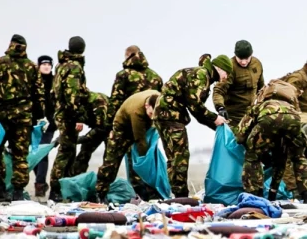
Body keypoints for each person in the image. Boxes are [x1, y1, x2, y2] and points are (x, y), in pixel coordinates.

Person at [72, 45, 162, 175]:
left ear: (128, 56)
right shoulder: (156, 76)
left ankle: (106, 190)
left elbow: (115, 102)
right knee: (144, 155)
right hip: (148, 124)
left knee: (114, 159)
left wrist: (110, 126)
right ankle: (146, 190)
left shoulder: (123, 75)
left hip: (126, 123)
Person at [155, 54, 232, 196]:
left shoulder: (202, 76)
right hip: (170, 116)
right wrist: (215, 118)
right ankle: (181, 196)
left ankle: (177, 195)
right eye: (226, 73)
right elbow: (195, 106)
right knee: (180, 156)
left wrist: (218, 127)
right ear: (220, 69)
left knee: (174, 157)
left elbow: (198, 114)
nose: (226, 78)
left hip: (164, 115)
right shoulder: (201, 75)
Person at [0, 34, 43, 201]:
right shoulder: (32, 67)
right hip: (22, 119)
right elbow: (39, 94)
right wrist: (37, 116)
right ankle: (18, 192)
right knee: (20, 155)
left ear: (11, 45)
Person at [238, 100, 307, 201]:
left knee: (252, 157)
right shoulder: (287, 105)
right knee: (299, 158)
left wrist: (246, 143)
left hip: (269, 119)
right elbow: (280, 164)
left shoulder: (256, 107)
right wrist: (272, 193)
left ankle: (255, 195)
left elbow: (240, 135)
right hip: (293, 120)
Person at [48, 36, 91, 200]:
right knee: (65, 152)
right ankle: (55, 190)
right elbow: (73, 95)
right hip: (69, 116)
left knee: (69, 151)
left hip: (61, 113)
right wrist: (79, 117)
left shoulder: (61, 65)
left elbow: (55, 92)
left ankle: (63, 188)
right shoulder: (74, 67)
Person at [95, 90, 159, 198]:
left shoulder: (159, 101)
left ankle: (143, 194)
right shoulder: (137, 111)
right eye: (151, 114)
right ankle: (100, 193)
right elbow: (140, 140)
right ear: (146, 105)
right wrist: (146, 160)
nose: (152, 117)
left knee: (138, 165)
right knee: (111, 163)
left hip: (143, 127)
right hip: (122, 130)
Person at [213, 40, 264, 124]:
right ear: (235, 55)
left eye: (247, 58)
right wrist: (220, 108)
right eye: (240, 59)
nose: (243, 62)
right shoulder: (230, 68)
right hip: (233, 117)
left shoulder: (257, 64)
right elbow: (218, 91)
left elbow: (261, 88)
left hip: (251, 115)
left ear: (251, 54)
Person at [32, 54, 56, 197]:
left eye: (49, 64)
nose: (46, 67)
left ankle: (40, 183)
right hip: (34, 122)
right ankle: (40, 181)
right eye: (43, 64)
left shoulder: (55, 82)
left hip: (50, 123)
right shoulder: (33, 81)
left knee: (43, 150)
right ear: (39, 66)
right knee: (35, 152)